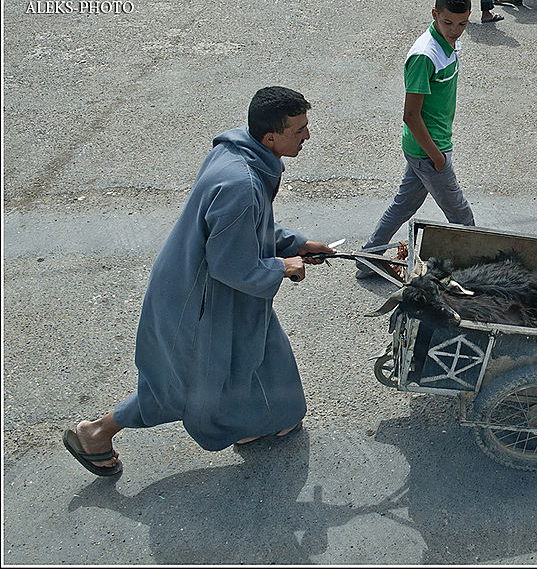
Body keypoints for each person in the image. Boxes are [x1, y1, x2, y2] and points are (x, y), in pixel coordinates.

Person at [63, 86, 335, 476]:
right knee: (180, 387)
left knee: (264, 356)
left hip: (219, 290)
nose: (307, 135)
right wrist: (283, 266)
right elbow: (229, 264)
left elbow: (244, 230)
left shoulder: (237, 154)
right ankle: (95, 432)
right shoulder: (242, 185)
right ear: (270, 138)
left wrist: (296, 243)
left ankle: (260, 421)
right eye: (299, 129)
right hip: (201, 299)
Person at [356, 0, 476, 279]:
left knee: (403, 205)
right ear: (435, 15)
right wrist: (437, 158)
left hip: (427, 148)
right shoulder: (424, 55)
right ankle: (479, 272)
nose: (455, 31)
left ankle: (367, 260)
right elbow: (411, 115)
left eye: (462, 24)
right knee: (462, 217)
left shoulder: (447, 44)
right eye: (448, 23)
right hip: (429, 150)